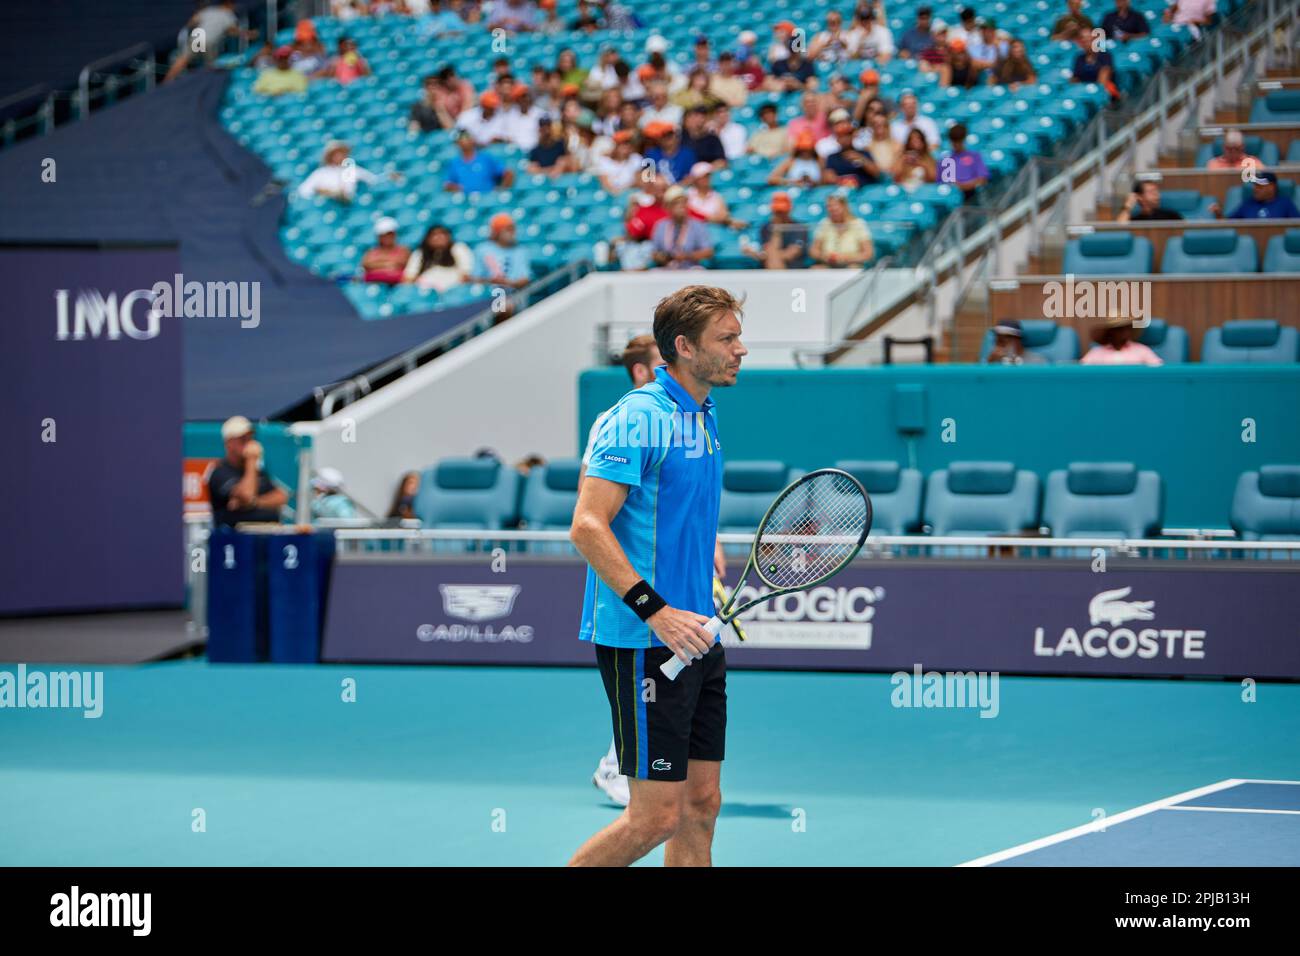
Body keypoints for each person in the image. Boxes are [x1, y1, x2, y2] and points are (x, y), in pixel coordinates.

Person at [567, 285, 746, 867]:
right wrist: (657, 610)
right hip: (646, 638)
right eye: (727, 338)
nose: (741, 349)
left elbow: (676, 506)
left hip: (698, 633)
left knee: (701, 803)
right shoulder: (638, 418)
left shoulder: (704, 413)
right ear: (685, 347)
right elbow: (588, 525)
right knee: (653, 818)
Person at [208, 416, 288, 527]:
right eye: (243, 439)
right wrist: (251, 460)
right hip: (235, 539)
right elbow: (247, 494)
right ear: (229, 443)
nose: (249, 443)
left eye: (250, 438)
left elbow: (281, 496)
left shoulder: (258, 472)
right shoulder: (221, 472)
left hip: (267, 533)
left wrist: (254, 503)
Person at [651, 187, 714, 269]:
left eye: (683, 203)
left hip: (690, 268)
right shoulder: (661, 226)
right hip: (667, 269)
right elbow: (654, 252)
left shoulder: (697, 225)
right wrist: (661, 257)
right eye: (676, 203)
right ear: (668, 207)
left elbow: (708, 252)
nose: (681, 206)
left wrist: (687, 256)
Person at [743, 191, 809, 268]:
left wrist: (765, 255)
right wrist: (777, 231)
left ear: (789, 210)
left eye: (782, 211)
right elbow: (768, 250)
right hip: (770, 267)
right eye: (777, 212)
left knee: (772, 255)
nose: (780, 215)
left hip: (793, 270)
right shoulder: (766, 227)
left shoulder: (799, 228)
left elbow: (791, 254)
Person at [297, 141, 379, 201]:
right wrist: (322, 192)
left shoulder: (352, 169)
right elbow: (304, 190)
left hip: (347, 204)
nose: (339, 156)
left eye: (341, 153)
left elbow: (372, 179)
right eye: (336, 154)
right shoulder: (321, 172)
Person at [403, 223, 473, 292]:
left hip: (454, 289)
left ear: (449, 236)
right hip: (425, 292)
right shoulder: (420, 253)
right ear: (427, 238)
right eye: (434, 235)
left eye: (442, 234)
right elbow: (409, 278)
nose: (439, 237)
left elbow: (466, 275)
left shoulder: (458, 248)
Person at [811, 193, 874, 267]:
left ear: (844, 206)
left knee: (853, 268)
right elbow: (814, 251)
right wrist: (825, 256)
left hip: (851, 264)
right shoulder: (824, 223)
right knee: (816, 269)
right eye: (829, 206)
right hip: (828, 264)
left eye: (835, 205)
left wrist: (846, 258)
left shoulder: (858, 223)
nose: (832, 209)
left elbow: (868, 253)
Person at [472, 213, 532, 289]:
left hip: (514, 295)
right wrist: (490, 281)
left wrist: (507, 283)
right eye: (508, 229)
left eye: (513, 229)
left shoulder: (521, 251)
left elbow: (525, 279)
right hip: (487, 295)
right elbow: (475, 278)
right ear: (497, 232)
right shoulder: (482, 249)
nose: (512, 233)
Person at [444, 128, 513, 193]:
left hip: (487, 199)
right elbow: (448, 184)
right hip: (466, 202)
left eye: (466, 137)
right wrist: (459, 189)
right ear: (457, 143)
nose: (464, 141)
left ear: (472, 139)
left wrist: (501, 190)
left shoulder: (485, 158)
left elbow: (508, 174)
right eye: (461, 139)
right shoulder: (455, 163)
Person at [1081, 315, 1163, 365]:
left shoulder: (1142, 350)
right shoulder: (1096, 352)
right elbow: (1081, 372)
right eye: (1118, 329)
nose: (1125, 332)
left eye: (1127, 328)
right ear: (1110, 332)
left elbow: (1159, 370)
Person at [825, 118, 881, 187]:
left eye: (848, 134)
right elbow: (828, 178)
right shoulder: (832, 158)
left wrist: (862, 160)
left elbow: (877, 173)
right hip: (843, 193)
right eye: (841, 136)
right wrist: (839, 180)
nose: (845, 138)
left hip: (865, 193)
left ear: (853, 136)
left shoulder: (864, 153)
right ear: (837, 139)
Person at [687, 164, 744, 228]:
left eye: (708, 176)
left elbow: (723, 216)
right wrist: (708, 218)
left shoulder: (717, 196)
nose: (707, 179)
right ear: (696, 179)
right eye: (703, 176)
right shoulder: (687, 194)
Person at [941, 123, 988, 201]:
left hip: (974, 195)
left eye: (959, 141)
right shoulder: (947, 159)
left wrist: (965, 185)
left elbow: (982, 179)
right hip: (955, 196)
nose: (956, 145)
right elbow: (946, 181)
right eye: (954, 141)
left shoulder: (974, 155)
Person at [1227, 171, 1300, 219]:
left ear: (1271, 187)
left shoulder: (1285, 203)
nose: (1255, 189)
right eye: (1255, 185)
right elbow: (1229, 224)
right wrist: (1218, 215)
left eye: (1259, 186)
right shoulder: (1247, 204)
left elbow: (1296, 226)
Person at [1071, 28, 1118, 100]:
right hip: (1084, 92)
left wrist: (1090, 92)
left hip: (1102, 92)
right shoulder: (1079, 58)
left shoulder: (1105, 55)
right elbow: (1075, 79)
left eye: (1090, 40)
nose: (1087, 43)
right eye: (1084, 41)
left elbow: (1103, 81)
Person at [361, 217, 410, 283]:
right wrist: (389, 264)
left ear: (394, 234)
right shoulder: (371, 251)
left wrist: (378, 263)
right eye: (383, 235)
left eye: (389, 234)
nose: (387, 237)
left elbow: (401, 263)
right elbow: (366, 264)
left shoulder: (404, 250)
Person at [1116, 180, 1184, 221]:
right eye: (1151, 192)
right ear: (1140, 197)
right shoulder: (1135, 220)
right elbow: (1120, 231)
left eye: (1157, 191)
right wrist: (1128, 207)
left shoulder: (1172, 216)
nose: (1157, 195)